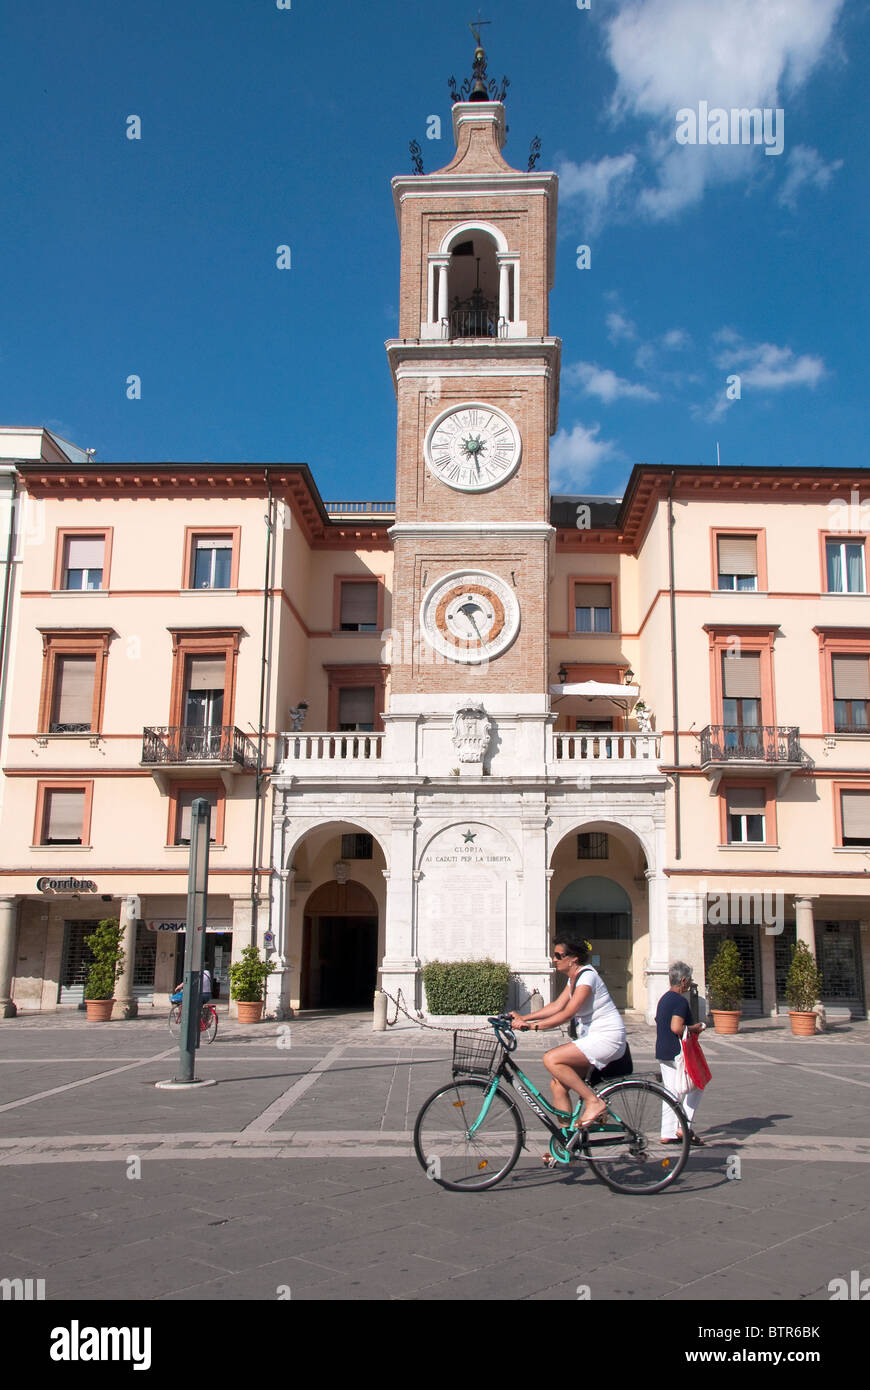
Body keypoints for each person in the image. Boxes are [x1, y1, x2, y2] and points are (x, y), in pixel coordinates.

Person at [509, 935, 626, 1130]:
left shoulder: (587, 977)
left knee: (551, 1059)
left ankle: (594, 1102)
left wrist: (532, 1027)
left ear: (572, 959)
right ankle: (566, 1139)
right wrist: (524, 1018)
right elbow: (556, 1006)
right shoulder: (575, 978)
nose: (554, 959)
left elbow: (567, 1013)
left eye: (558, 955)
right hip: (593, 1039)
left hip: (607, 1038)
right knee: (558, 1085)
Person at [656, 961, 706, 1145]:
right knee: (697, 1085)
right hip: (678, 1051)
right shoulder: (679, 1001)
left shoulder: (664, 998)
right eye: (690, 980)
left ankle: (667, 1132)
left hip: (662, 1049)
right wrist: (696, 1028)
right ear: (683, 980)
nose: (691, 983)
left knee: (671, 1092)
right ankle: (683, 1126)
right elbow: (676, 1027)